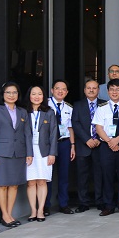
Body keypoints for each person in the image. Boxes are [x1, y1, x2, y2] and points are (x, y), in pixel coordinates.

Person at [0, 82, 33, 227]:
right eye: (8, 92)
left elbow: (27, 134)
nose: (11, 95)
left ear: (18, 95)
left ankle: (10, 214)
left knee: (14, 185)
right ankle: (5, 215)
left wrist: (29, 153)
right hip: (2, 153)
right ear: (3, 94)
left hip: (18, 153)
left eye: (14, 92)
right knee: (2, 184)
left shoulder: (22, 112)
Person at [93, 79, 119, 216]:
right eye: (112, 89)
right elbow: (98, 128)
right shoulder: (101, 108)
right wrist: (110, 142)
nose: (114, 92)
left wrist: (117, 140)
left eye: (117, 89)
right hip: (106, 145)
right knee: (107, 175)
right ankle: (108, 205)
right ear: (108, 92)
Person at [25, 85, 57, 222]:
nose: (37, 97)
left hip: (44, 151)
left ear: (43, 96)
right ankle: (33, 211)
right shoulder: (24, 112)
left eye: (39, 94)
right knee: (31, 182)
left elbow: (54, 133)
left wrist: (52, 153)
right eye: (34, 94)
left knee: (42, 181)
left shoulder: (49, 112)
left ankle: (40, 210)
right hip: (28, 151)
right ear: (29, 96)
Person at [71, 79, 104, 212]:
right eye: (89, 88)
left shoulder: (104, 104)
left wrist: (100, 138)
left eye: (94, 88)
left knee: (99, 175)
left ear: (98, 90)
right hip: (83, 145)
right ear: (84, 90)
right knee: (82, 176)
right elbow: (75, 123)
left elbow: (107, 124)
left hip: (100, 145)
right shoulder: (78, 105)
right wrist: (87, 139)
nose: (91, 90)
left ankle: (100, 201)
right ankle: (83, 202)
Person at [48, 79, 75, 214]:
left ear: (67, 92)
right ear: (52, 90)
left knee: (64, 175)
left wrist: (72, 145)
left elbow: (70, 128)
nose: (60, 91)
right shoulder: (45, 105)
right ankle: (45, 205)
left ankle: (63, 204)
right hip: (48, 145)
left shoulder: (69, 108)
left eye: (63, 89)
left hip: (64, 143)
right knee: (47, 176)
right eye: (57, 88)